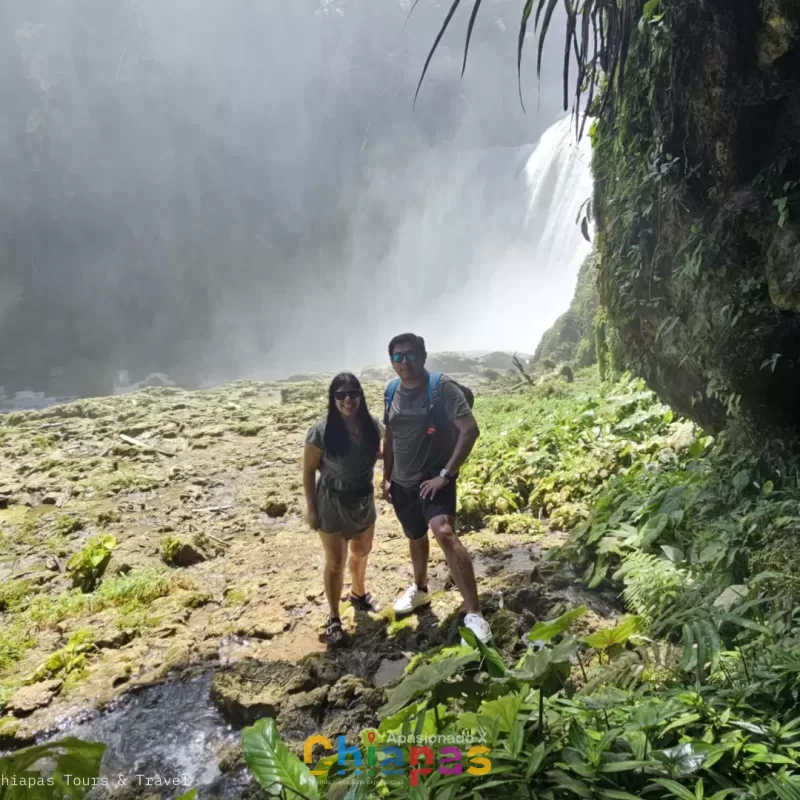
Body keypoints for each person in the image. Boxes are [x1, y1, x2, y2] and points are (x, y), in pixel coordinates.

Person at [382, 333, 492, 644]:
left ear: (423, 356)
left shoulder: (441, 388)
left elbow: (470, 430)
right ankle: (420, 589)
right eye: (398, 356)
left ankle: (475, 613)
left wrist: (446, 474)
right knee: (415, 535)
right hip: (401, 482)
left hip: (433, 477)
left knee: (443, 531)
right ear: (391, 361)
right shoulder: (391, 390)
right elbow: (389, 436)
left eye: (411, 355)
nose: (405, 362)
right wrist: (385, 476)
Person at [303, 373, 384, 644]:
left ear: (360, 395)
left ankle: (359, 594)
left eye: (352, 393)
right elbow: (308, 471)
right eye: (340, 394)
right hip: (331, 501)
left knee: (362, 552)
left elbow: (386, 450)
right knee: (335, 563)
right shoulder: (321, 431)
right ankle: (334, 618)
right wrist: (311, 510)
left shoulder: (372, 426)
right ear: (333, 399)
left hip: (363, 499)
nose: (347, 399)